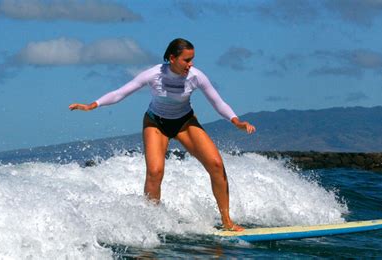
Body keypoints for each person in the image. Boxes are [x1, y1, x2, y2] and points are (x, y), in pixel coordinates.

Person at [69, 38, 255, 231]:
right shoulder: (153, 74)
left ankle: (227, 221)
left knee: (216, 164)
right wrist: (92, 105)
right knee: (155, 172)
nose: (190, 64)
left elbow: (218, 102)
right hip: (156, 123)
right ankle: (151, 224)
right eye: (186, 60)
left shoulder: (196, 76)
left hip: (184, 122)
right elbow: (120, 93)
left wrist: (236, 121)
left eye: (192, 60)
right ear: (172, 58)